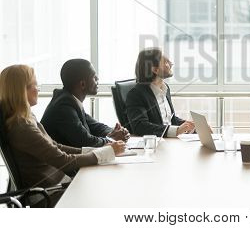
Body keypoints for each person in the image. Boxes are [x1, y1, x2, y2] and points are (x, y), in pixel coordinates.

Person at [0, 65, 125, 206]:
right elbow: (62, 160)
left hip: (57, 186)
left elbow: (56, 146)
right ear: (21, 91)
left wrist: (103, 150)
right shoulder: (21, 127)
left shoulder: (26, 117)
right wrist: (107, 152)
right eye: (34, 85)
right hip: (47, 195)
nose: (38, 89)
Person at [41, 59, 129, 148]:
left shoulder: (70, 100)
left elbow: (94, 126)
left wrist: (115, 132)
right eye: (94, 77)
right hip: (57, 162)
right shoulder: (63, 107)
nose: (98, 79)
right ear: (82, 84)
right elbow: (85, 142)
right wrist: (111, 139)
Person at [126, 48, 195, 137]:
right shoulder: (136, 94)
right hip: (154, 144)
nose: (171, 64)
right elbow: (140, 127)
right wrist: (177, 130)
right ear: (155, 70)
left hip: (170, 141)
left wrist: (190, 125)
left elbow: (169, 119)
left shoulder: (165, 88)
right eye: (166, 62)